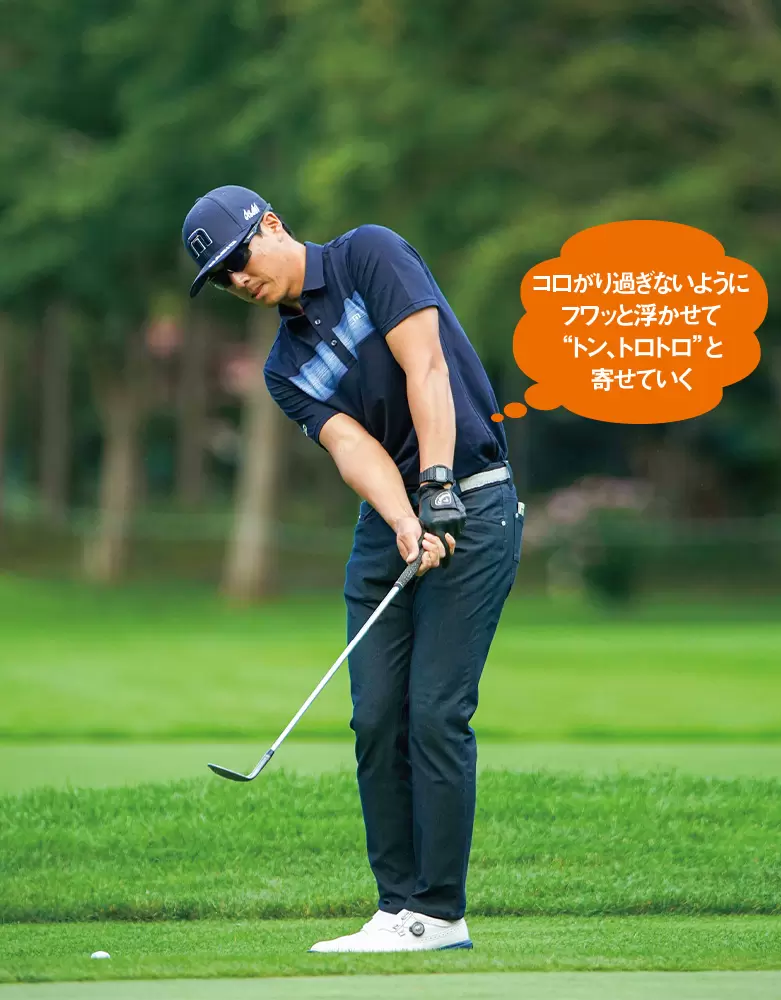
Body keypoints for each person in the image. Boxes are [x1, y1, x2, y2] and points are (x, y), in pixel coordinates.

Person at [181, 185, 525, 953]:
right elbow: (351, 446)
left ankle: (438, 913)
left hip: (471, 497)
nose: (238, 279)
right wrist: (404, 518)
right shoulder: (284, 367)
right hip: (390, 520)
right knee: (375, 717)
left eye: (239, 258)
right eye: (222, 278)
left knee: (434, 712)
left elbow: (426, 367)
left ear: (272, 225)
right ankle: (395, 907)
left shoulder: (369, 255)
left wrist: (437, 488)